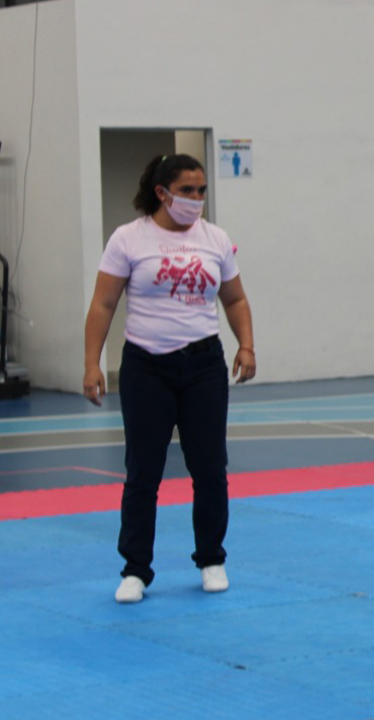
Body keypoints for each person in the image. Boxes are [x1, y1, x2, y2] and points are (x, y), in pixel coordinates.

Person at [83, 153, 256, 604]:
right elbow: (103, 304)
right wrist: (91, 363)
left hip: (202, 366)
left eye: (202, 191)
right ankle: (136, 569)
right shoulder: (128, 239)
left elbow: (234, 299)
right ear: (162, 193)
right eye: (187, 191)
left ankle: (212, 558)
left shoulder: (215, 239)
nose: (196, 200)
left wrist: (246, 344)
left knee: (210, 468)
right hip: (146, 367)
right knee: (143, 471)